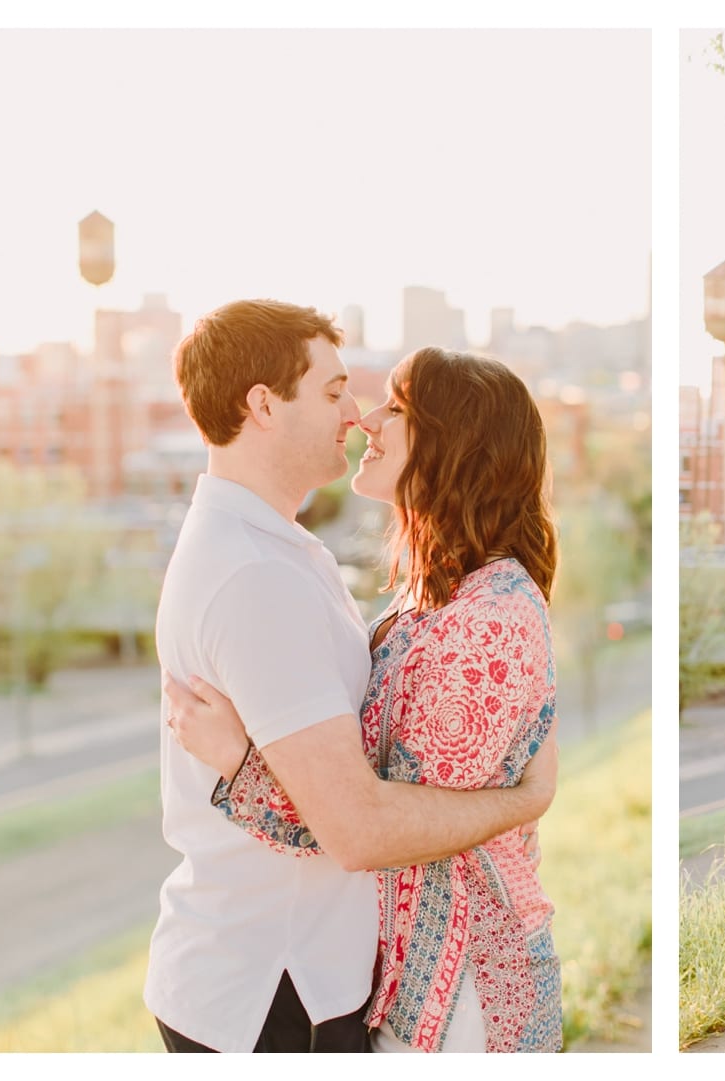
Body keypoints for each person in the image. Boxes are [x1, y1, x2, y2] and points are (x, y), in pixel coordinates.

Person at [148, 302, 556, 1054]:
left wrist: (245, 764)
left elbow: (379, 803)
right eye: (334, 391)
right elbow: (362, 823)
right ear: (263, 404)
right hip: (272, 985)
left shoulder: (290, 552)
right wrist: (525, 798)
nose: (358, 414)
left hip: (382, 977)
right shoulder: (256, 575)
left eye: (383, 404)